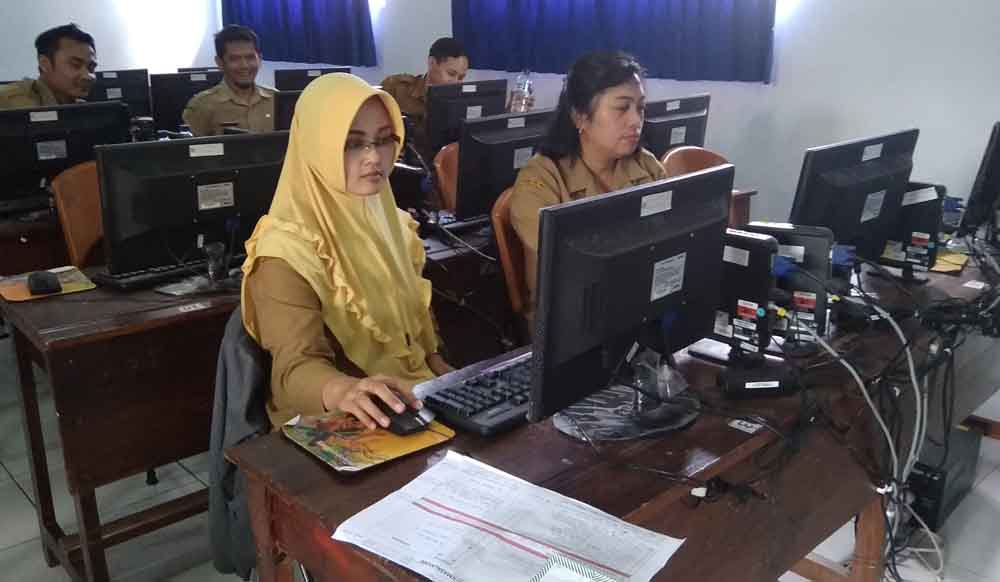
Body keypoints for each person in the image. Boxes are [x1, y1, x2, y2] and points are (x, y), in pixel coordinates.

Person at [241, 73, 453, 429]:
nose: (374, 158)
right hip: (335, 421)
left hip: (407, 403)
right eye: (353, 144)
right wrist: (345, 390)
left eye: (385, 140)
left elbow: (418, 335)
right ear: (317, 146)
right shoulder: (284, 253)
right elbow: (294, 370)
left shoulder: (394, 224)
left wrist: (454, 382)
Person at [509, 51, 666, 321]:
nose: (635, 120)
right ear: (580, 116)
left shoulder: (646, 166)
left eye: (640, 108)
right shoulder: (540, 180)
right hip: (571, 322)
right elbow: (576, 268)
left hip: (638, 308)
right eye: (621, 108)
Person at [182, 25, 275, 136]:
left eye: (250, 57)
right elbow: (189, 151)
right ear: (220, 63)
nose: (244, 65)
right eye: (234, 59)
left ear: (259, 59)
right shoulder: (202, 105)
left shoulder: (276, 99)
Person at [0, 24, 96, 110]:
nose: (87, 76)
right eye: (75, 65)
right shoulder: (9, 103)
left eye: (91, 68)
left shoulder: (82, 110)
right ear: (44, 63)